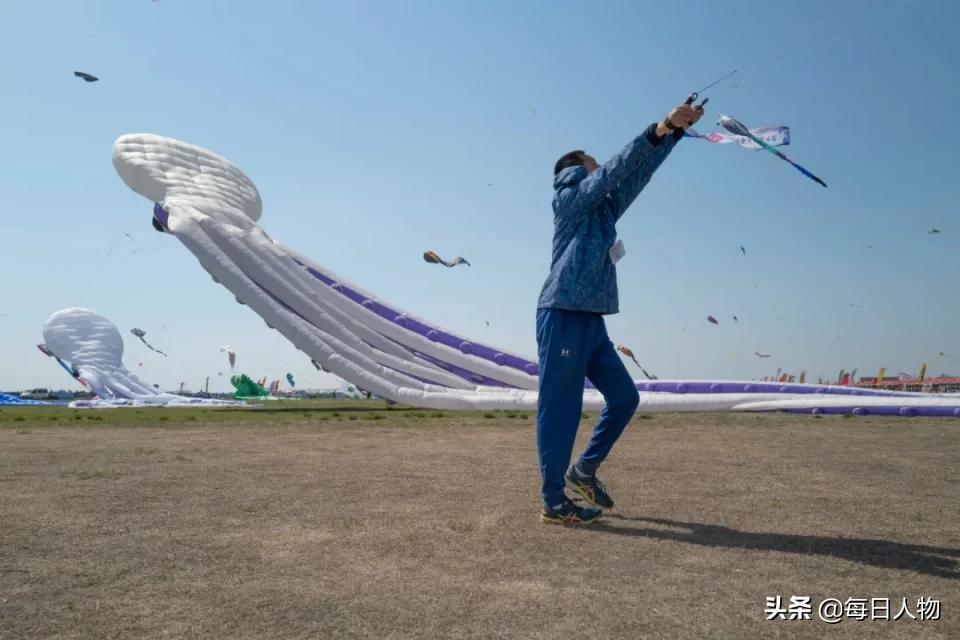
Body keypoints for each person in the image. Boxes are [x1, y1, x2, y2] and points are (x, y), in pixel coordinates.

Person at [536, 102, 703, 525]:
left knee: (625, 398)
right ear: (575, 169)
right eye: (592, 161)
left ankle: (584, 471)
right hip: (562, 312)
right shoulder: (568, 199)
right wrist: (658, 127)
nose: (599, 165)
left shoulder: (603, 209)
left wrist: (674, 134)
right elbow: (614, 171)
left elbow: (635, 175)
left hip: (592, 320)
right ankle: (554, 502)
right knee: (562, 408)